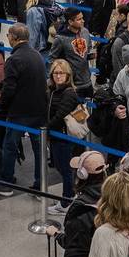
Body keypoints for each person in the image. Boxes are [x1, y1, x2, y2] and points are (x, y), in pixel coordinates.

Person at [0, 24, 45, 191]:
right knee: (38, 149)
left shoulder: (13, 59)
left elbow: (11, 88)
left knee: (10, 147)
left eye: (8, 35)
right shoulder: (37, 55)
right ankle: (39, 183)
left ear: (13, 37)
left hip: (20, 112)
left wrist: (1, 100)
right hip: (39, 110)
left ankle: (6, 183)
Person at [46, 59, 82, 213]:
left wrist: (45, 129)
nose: (58, 76)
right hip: (55, 136)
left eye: (62, 73)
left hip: (64, 137)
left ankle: (66, 201)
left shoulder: (69, 93)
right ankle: (70, 195)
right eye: (56, 73)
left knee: (65, 169)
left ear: (68, 75)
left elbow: (60, 115)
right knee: (61, 168)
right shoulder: (54, 90)